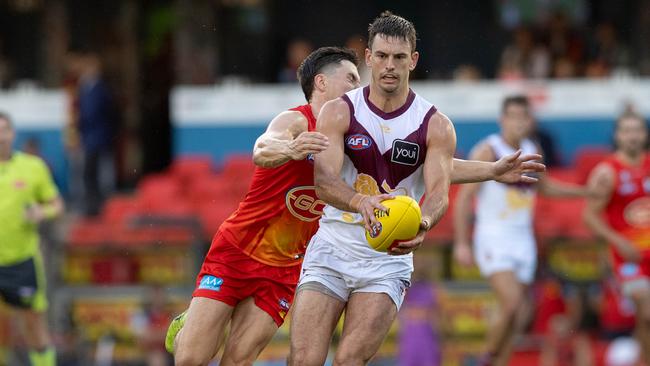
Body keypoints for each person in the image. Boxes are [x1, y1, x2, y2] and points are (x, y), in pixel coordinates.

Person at [166, 45, 543, 365]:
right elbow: (261, 149)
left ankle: (209, 321)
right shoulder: (296, 121)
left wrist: (491, 170)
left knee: (238, 357)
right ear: (321, 83)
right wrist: (291, 149)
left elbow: (436, 168)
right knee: (191, 359)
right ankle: (193, 323)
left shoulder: (351, 130)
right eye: (350, 78)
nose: (358, 85)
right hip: (238, 249)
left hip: (286, 267)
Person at [287, 12, 544, 366]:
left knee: (349, 360)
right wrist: (361, 201)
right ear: (368, 58)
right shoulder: (339, 112)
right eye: (381, 56)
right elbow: (324, 182)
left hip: (387, 260)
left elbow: (439, 189)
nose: (389, 66)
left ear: (414, 60)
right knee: (304, 360)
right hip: (331, 248)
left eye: (398, 57)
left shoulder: (435, 125)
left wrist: (423, 221)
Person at [452, 95, 588, 366]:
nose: (518, 122)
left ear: (530, 121)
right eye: (512, 116)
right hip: (493, 235)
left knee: (519, 313)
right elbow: (465, 198)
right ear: (502, 119)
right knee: (513, 303)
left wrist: (585, 191)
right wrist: (461, 242)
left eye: (523, 116)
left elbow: (545, 187)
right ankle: (485, 358)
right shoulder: (489, 150)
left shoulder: (532, 147)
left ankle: (499, 361)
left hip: (522, 239)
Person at [583, 112, 650, 364]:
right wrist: (618, 241)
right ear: (618, 136)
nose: (632, 136)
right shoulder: (606, 172)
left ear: (644, 134)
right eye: (626, 131)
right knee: (646, 312)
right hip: (628, 258)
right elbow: (589, 216)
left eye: (637, 130)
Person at [0, 112, 64, 366]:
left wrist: (41, 212)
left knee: (34, 326)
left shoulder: (32, 167)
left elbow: (57, 205)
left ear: (12, 134)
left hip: (21, 260)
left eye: (3, 130)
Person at [76, 50, 117, 216]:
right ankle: (91, 207)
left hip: (100, 137)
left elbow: (109, 113)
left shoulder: (102, 89)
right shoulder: (83, 88)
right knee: (88, 174)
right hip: (88, 138)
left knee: (102, 175)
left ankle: (104, 206)